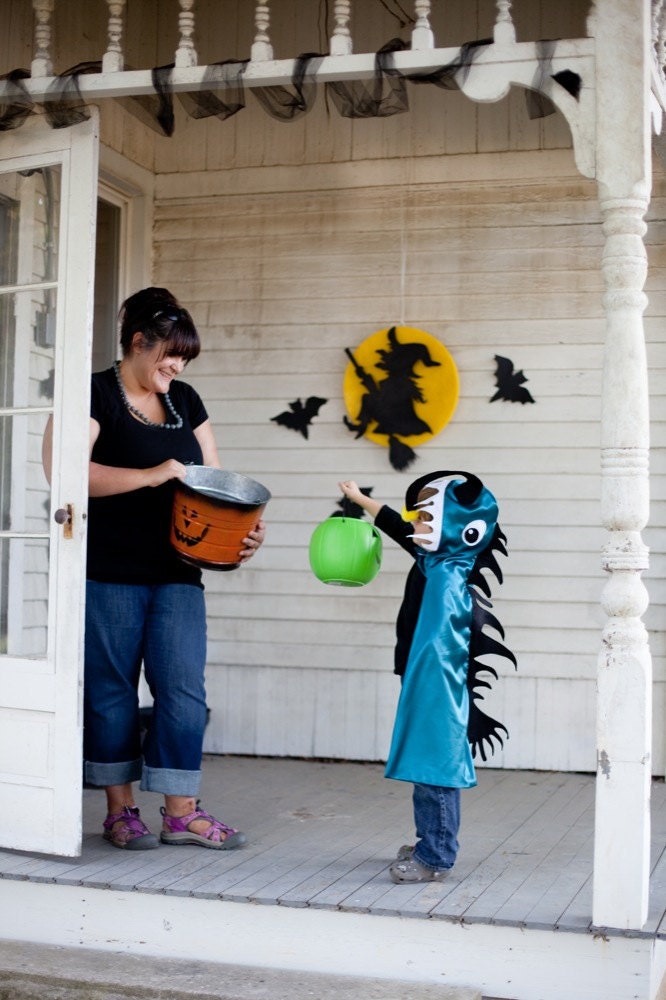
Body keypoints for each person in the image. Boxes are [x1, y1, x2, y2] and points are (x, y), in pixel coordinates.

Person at [43, 286, 265, 850]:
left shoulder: (186, 401)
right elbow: (63, 475)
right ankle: (121, 811)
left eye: (185, 357)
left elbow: (218, 486)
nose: (178, 365)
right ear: (138, 343)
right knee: (112, 691)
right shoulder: (94, 394)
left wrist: (242, 532)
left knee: (184, 689)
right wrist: (151, 475)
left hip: (178, 572)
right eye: (170, 353)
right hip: (110, 571)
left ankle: (181, 812)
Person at [338, 473, 513, 883]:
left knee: (435, 765)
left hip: (437, 689)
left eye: (423, 519)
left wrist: (429, 696)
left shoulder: (450, 579)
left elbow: (443, 646)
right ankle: (428, 840)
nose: (413, 525)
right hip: (424, 683)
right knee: (424, 766)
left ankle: (435, 855)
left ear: (453, 526)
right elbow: (398, 527)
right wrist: (358, 499)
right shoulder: (435, 559)